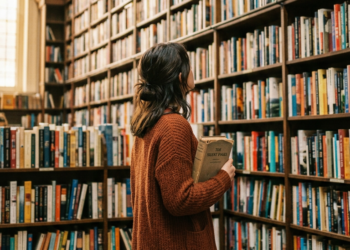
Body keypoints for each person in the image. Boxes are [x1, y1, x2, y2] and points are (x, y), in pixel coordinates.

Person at [130, 43, 236, 250]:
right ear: (180, 76)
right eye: (189, 65)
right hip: (176, 242)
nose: (193, 71)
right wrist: (223, 178)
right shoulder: (173, 126)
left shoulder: (146, 122)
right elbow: (180, 200)